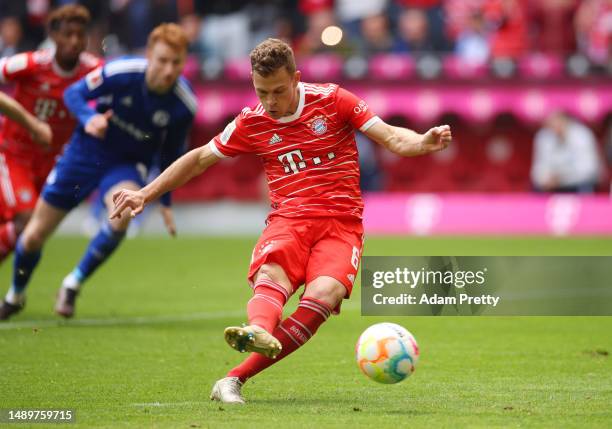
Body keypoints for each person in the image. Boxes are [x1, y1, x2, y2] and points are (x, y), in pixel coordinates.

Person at [110, 38, 451, 404]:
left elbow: (390, 136)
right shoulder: (252, 121)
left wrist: (420, 142)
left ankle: (233, 379)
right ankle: (257, 330)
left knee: (325, 294)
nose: (270, 102)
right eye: (262, 91)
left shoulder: (334, 100)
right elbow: (197, 159)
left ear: (297, 78)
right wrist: (145, 193)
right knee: (272, 276)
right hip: (289, 220)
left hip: (341, 224)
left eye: (278, 91)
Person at [0, 23, 196, 320]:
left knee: (123, 217)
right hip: (85, 153)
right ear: (149, 55)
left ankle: (72, 283)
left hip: (125, 165)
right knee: (33, 235)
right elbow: (74, 94)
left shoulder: (184, 104)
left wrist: (165, 201)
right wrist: (89, 117)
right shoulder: (123, 71)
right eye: (162, 60)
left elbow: (171, 154)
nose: (169, 70)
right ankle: (15, 295)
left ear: (184, 61)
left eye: (176, 62)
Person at [0, 4, 101, 264]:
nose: (74, 41)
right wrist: (31, 124)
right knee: (27, 222)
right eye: (67, 34)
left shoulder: (94, 70)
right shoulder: (32, 64)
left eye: (80, 35)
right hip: (13, 155)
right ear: (54, 35)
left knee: (28, 230)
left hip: (51, 164)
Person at [531, 111, 601, 193]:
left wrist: (561, 178)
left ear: (565, 119)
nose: (554, 126)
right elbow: (538, 169)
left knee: (586, 186)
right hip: (552, 185)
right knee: (537, 188)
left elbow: (588, 171)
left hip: (577, 183)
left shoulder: (582, 135)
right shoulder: (543, 136)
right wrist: (545, 179)